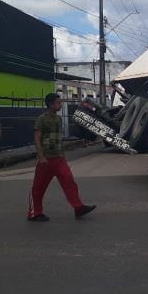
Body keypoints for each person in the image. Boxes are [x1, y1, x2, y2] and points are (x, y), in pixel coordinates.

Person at [27, 93, 96, 222]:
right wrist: (41, 157)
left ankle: (78, 207)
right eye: (58, 102)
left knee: (69, 181)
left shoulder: (58, 119)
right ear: (51, 104)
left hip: (59, 158)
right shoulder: (42, 119)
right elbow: (37, 138)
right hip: (46, 159)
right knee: (38, 187)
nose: (61, 104)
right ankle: (35, 213)